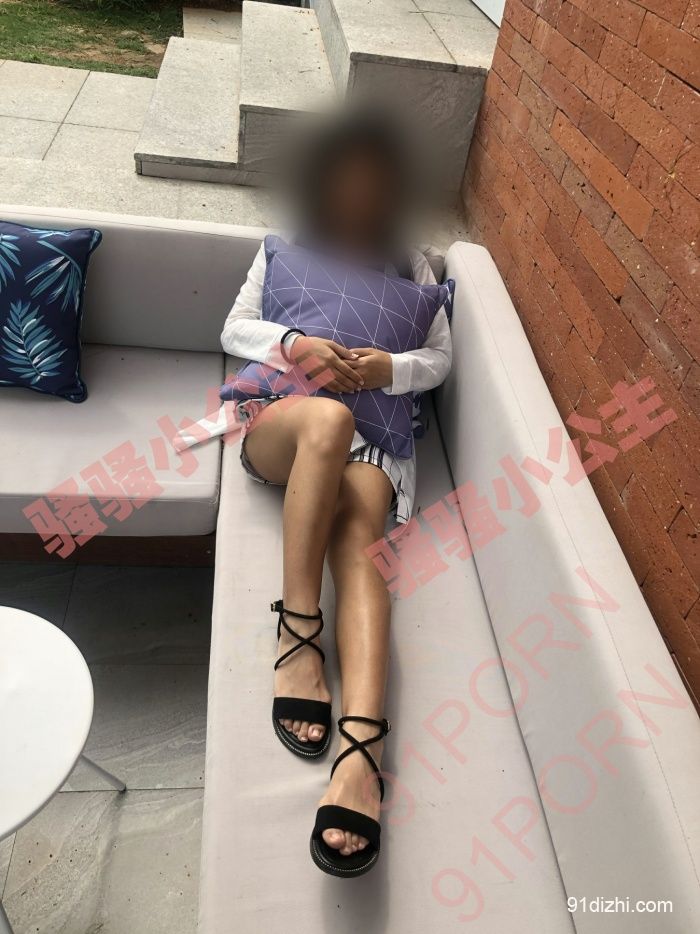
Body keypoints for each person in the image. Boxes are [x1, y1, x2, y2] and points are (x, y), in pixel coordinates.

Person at [220, 114, 452, 876]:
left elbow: (439, 358)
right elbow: (234, 330)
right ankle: (297, 638)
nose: (358, 192)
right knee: (327, 418)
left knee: (363, 546)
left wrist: (392, 370)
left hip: (374, 441)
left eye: (373, 181)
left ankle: (361, 753)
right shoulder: (286, 244)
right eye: (346, 177)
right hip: (286, 423)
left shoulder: (412, 264)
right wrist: (295, 345)